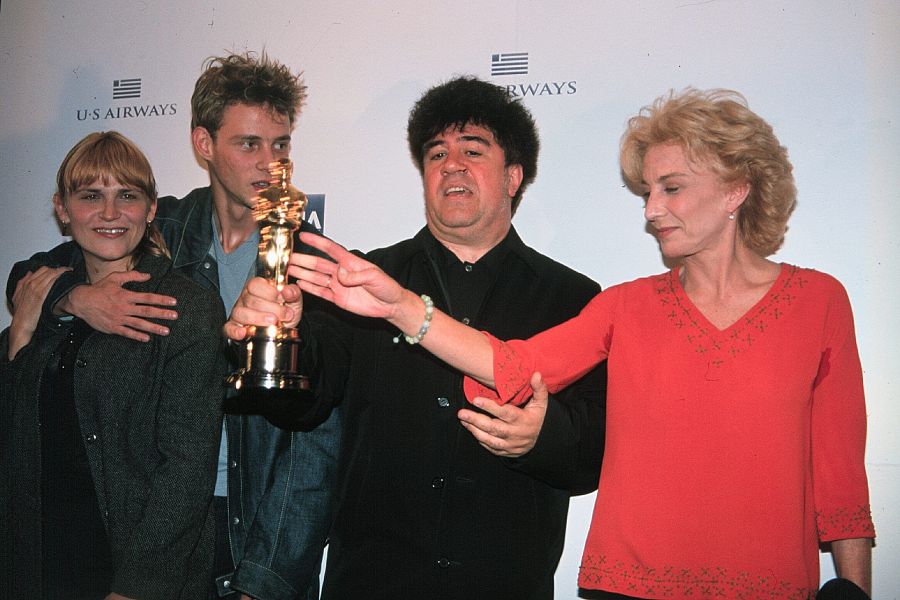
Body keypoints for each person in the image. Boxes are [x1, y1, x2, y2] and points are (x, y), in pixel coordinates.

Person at [287, 88, 876, 599]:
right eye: (648, 191)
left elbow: (841, 475)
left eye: (670, 188)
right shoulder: (625, 306)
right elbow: (513, 364)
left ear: (735, 192)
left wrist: (854, 589)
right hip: (625, 586)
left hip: (767, 585)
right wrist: (399, 306)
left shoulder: (818, 302)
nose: (650, 210)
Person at [225, 76, 607, 599]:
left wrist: (544, 436)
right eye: (436, 154)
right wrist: (271, 334)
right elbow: (301, 409)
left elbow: (589, 459)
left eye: (473, 151)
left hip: (505, 585)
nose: (452, 165)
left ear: (513, 176)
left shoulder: (573, 298)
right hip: (371, 584)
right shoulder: (359, 278)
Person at [5, 52, 339, 600]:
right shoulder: (166, 227)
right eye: (249, 144)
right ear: (204, 145)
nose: (270, 164)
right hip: (144, 513)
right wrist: (78, 298)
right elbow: (30, 274)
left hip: (252, 520)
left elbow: (315, 443)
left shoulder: (312, 262)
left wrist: (267, 578)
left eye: (280, 145)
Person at [0, 131, 225, 600]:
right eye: (90, 196)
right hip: (38, 564)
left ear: (149, 208)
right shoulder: (42, 297)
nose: (109, 213)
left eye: (127, 195)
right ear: (63, 209)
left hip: (132, 572)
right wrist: (21, 336)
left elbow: (187, 467)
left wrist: (136, 587)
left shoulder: (186, 307)